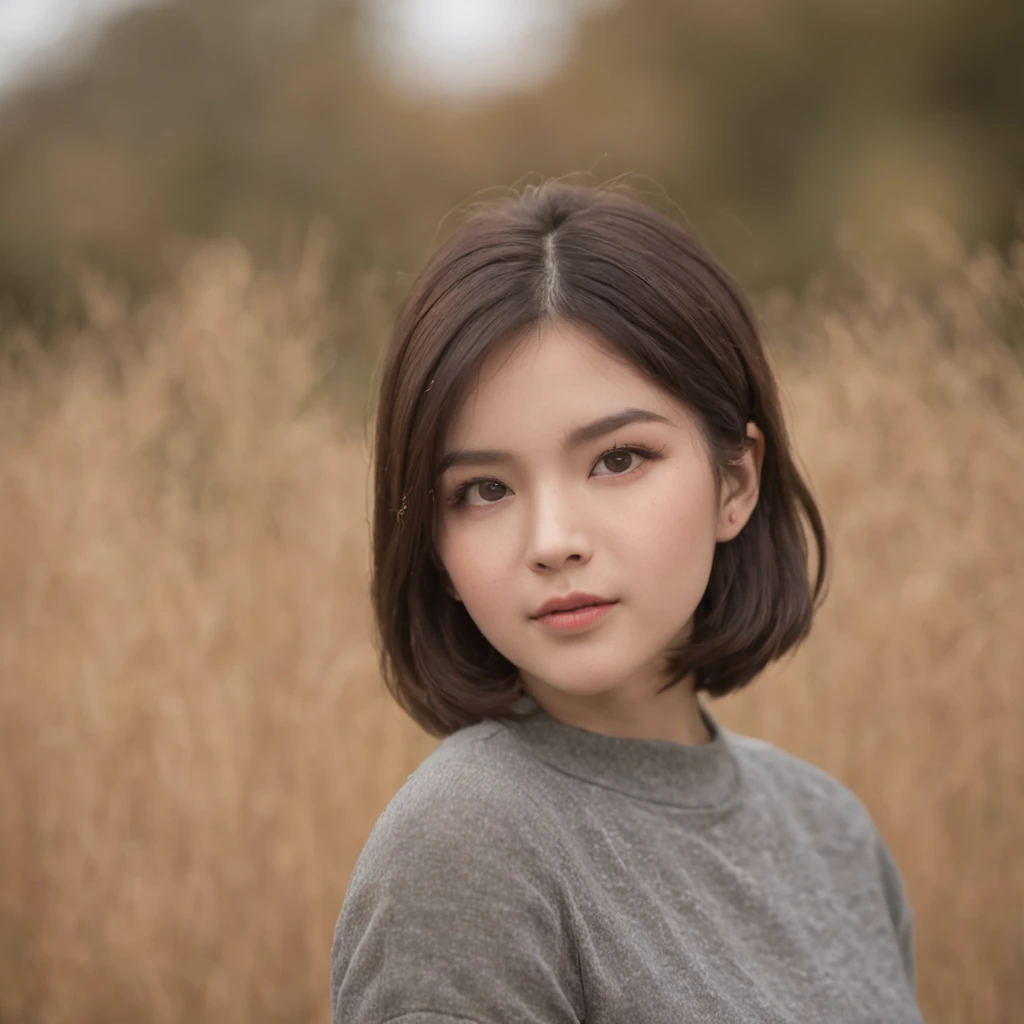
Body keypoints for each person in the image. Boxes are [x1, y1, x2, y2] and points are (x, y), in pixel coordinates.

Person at [330, 182, 925, 1023]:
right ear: (434, 539)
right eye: (485, 488)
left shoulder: (829, 831)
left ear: (736, 481)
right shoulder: (464, 847)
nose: (552, 539)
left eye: (617, 460)